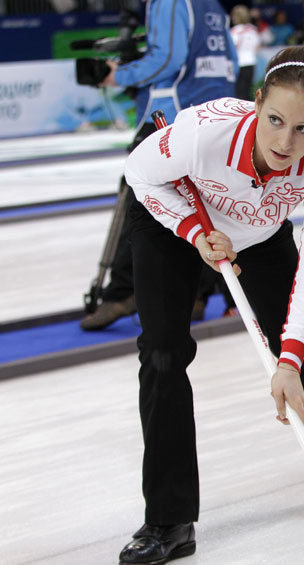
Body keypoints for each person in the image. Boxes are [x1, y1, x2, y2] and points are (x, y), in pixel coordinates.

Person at [117, 46, 304, 565]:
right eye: (275, 120)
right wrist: (192, 230)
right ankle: (169, 519)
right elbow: (139, 172)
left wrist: (289, 356)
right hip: (173, 220)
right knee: (163, 354)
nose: (285, 142)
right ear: (257, 103)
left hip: (260, 232)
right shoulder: (204, 132)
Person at [81, 0, 238, 331]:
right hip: (212, 112)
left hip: (170, 113)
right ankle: (196, 294)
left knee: (139, 198)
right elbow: (230, 63)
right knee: (205, 202)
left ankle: (123, 292)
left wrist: (117, 74)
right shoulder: (212, 5)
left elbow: (167, 59)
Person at [231, 4, 260, 100]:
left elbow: (232, 48)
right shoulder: (253, 29)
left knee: (239, 93)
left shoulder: (234, 31)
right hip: (251, 62)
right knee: (247, 91)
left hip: (239, 64)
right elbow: (257, 46)